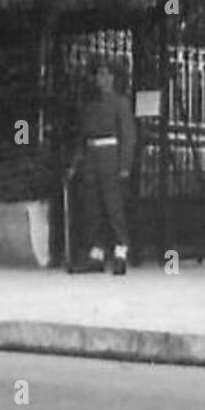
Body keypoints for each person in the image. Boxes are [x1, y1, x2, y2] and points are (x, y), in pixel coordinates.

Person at [69, 57, 136, 275]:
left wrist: (124, 165)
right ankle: (96, 255)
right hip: (91, 158)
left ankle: (120, 253)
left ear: (114, 78)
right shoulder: (90, 106)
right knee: (92, 209)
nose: (103, 79)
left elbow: (128, 136)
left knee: (113, 208)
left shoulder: (120, 102)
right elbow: (83, 137)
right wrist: (75, 163)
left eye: (107, 74)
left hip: (110, 158)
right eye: (99, 74)